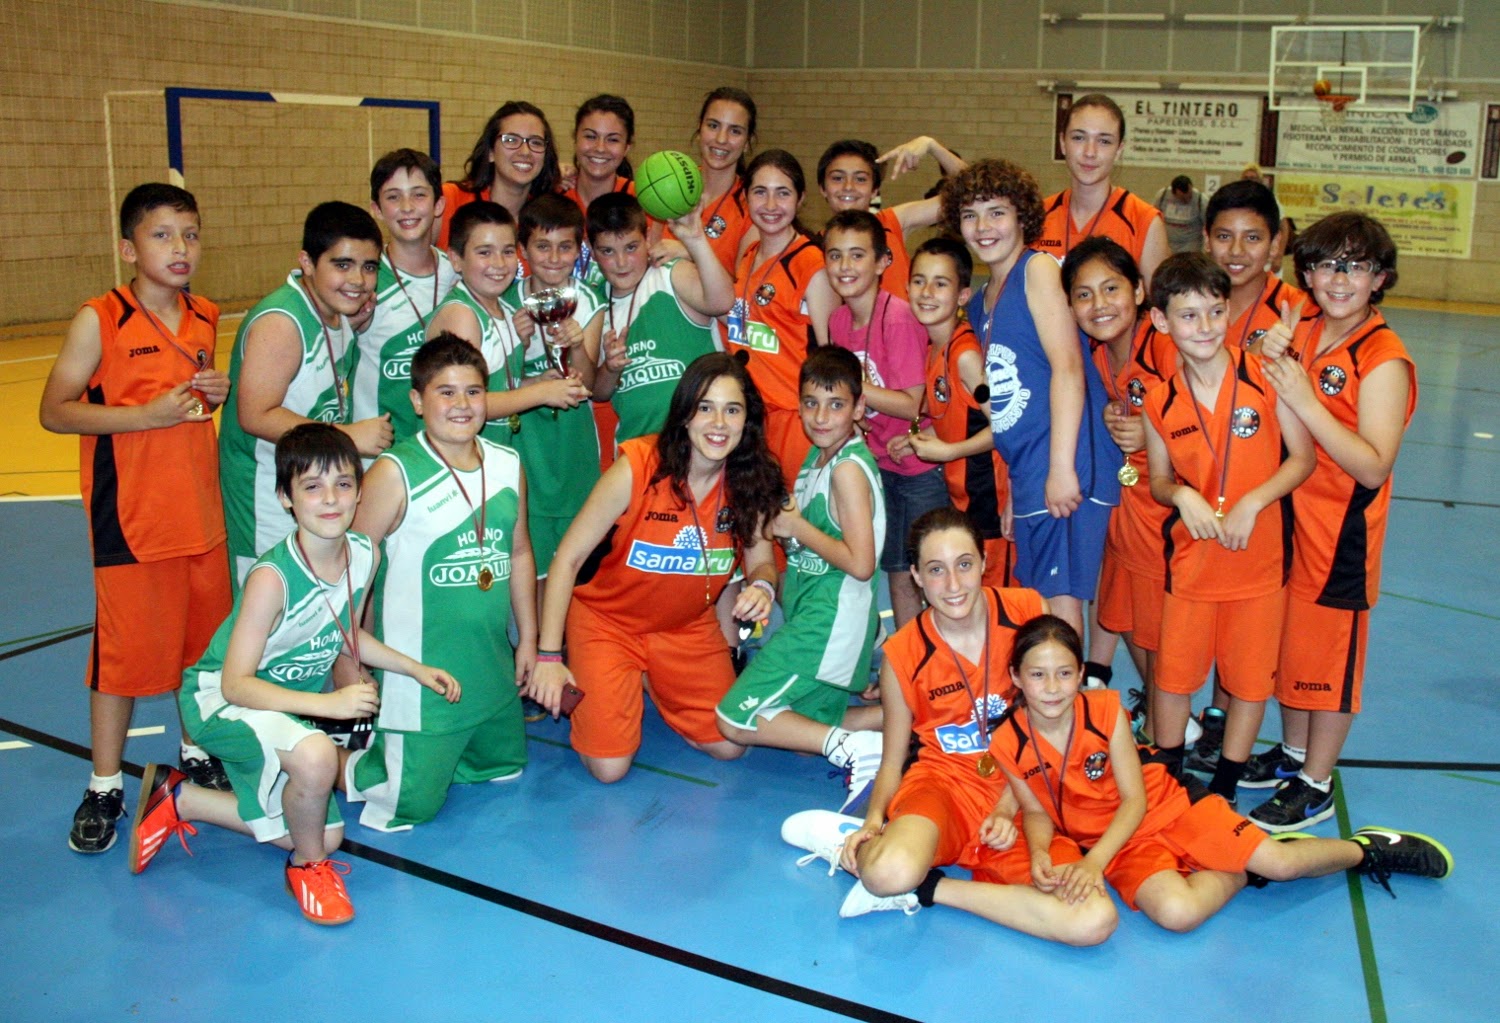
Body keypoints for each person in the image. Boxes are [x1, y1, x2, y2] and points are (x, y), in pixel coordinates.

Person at [129, 424, 460, 925]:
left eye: (343, 484)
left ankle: (181, 799)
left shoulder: (364, 554)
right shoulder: (272, 578)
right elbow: (234, 684)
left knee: (324, 831)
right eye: (312, 486)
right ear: (286, 497)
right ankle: (308, 870)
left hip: (279, 706)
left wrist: (414, 668)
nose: (330, 499)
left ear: (359, 491)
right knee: (317, 759)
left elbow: (345, 633)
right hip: (221, 703)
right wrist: (327, 705)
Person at [988, 615, 1451, 935]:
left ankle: (1367, 849)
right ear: (1016, 676)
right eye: (1038, 675)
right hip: (1120, 844)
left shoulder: (1105, 711)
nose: (1052, 688)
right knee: (1177, 913)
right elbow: (1036, 810)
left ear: (1080, 674)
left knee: (1283, 865)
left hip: (1170, 808)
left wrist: (1093, 864)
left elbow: (1135, 800)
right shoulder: (1007, 740)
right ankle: (1242, 870)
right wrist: (1040, 853)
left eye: (1064, 673)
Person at [780, 509, 1115, 945]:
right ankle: (853, 844)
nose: (953, 585)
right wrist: (873, 821)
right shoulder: (903, 654)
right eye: (936, 570)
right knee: (885, 873)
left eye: (964, 564)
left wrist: (1010, 806)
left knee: (1092, 920)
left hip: (1024, 792)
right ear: (917, 576)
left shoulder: (1028, 612)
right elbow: (892, 760)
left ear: (984, 562)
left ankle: (928, 889)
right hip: (944, 787)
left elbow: (1059, 724)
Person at [40, 183, 235, 854]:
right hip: (132, 524)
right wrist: (143, 416)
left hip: (201, 518)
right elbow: (54, 410)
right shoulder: (100, 318)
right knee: (122, 661)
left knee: (200, 651)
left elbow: (194, 406)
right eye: (162, 235)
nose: (180, 248)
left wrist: (215, 393)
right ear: (129, 248)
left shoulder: (205, 315)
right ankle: (103, 786)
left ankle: (196, 750)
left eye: (191, 234)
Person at [528, 353, 784, 782]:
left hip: (685, 627)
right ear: (684, 414)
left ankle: (652, 680)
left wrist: (763, 587)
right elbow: (567, 559)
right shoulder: (639, 466)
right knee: (610, 768)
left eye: (732, 410)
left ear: (747, 420)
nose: (719, 423)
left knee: (730, 744)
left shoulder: (752, 481)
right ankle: (613, 679)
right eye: (705, 407)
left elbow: (761, 562)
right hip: (607, 624)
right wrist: (549, 655)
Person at [1245, 212, 1417, 832]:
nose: (1339, 279)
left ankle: (1317, 782)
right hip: (1288, 520)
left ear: (1380, 278)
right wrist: (1261, 352)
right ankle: (1294, 754)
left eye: (1355, 266)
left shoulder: (1384, 358)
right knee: (1289, 647)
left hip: (1341, 534)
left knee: (1330, 661)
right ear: (1308, 273)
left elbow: (1372, 465)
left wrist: (1304, 398)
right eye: (1326, 265)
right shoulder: (1305, 325)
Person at [1140, 253, 1314, 802]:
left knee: (1248, 682)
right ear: (1161, 321)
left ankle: (1225, 786)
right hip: (1192, 565)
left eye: (1216, 312)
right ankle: (1168, 780)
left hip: (1258, 565)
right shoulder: (1159, 402)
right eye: (1188, 316)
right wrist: (1181, 494)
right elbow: (1158, 480)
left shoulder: (1264, 376)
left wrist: (1254, 501)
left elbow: (1303, 458)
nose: (1205, 327)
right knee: (1174, 678)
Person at [342, 336, 535, 831]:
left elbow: (519, 552)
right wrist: (352, 659)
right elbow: (352, 568)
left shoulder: (507, 463)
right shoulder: (394, 473)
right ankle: (318, 758)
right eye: (445, 392)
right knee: (409, 807)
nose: (461, 404)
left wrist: (530, 642)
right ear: (417, 400)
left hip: (490, 674)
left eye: (473, 391)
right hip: (420, 680)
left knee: (503, 769)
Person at [945, 158, 1121, 637]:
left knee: (1059, 602)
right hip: (1031, 468)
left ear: (1022, 216)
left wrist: (1060, 469)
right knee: (1044, 595)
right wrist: (1018, 487)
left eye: (996, 213)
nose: (983, 227)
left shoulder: (1037, 270)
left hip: (1065, 459)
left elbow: (1068, 368)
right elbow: (1011, 400)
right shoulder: (983, 298)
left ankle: (1069, 688)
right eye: (970, 215)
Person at [716, 347, 885, 810]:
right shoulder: (819, 459)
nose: (821, 416)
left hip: (827, 625)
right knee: (801, 732)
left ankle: (854, 749)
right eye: (811, 403)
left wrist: (797, 527)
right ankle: (909, 721)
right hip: (819, 618)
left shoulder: (847, 469)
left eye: (836, 404)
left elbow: (862, 563)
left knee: (732, 720)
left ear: (859, 408)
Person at [1180, 179, 1307, 770]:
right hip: (1203, 496)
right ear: (1206, 239)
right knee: (1202, 616)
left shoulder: (1296, 312)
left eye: (1253, 238)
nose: (1237, 251)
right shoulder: (1196, 304)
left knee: (1251, 632)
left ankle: (1232, 727)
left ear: (1276, 243)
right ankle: (1212, 717)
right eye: (1225, 236)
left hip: (1274, 497)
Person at [219, 201, 389, 588]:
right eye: (342, 265)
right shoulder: (282, 322)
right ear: (307, 263)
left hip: (307, 488)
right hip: (267, 498)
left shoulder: (334, 310)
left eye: (369, 267)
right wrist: (347, 436)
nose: (358, 279)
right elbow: (256, 415)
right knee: (271, 606)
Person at [1063, 238, 1174, 713]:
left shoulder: (1164, 345)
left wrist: (1153, 431)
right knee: (1128, 612)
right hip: (1131, 502)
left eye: (1111, 288)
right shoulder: (1096, 354)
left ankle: (1173, 721)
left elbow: (1205, 411)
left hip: (1170, 507)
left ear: (1140, 291)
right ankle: (1163, 711)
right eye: (1084, 294)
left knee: (1158, 624)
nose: (1099, 304)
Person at [822, 209, 939, 630]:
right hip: (880, 464)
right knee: (896, 571)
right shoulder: (837, 321)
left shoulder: (898, 317)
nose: (845, 266)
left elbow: (911, 404)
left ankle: (942, 655)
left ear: (882, 262)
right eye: (835, 255)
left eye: (857, 255)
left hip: (919, 467)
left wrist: (850, 386)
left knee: (930, 571)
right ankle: (909, 657)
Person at [898, 237, 1016, 588]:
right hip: (965, 497)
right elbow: (960, 417)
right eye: (919, 281)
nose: (927, 292)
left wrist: (950, 451)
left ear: (963, 295)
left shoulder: (965, 357)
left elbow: (1004, 426)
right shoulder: (935, 348)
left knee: (993, 596)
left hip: (990, 499)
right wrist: (921, 437)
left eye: (940, 283)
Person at [503, 194, 606, 585]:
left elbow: (589, 386)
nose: (553, 257)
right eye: (542, 246)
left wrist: (577, 344)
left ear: (579, 250)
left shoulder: (589, 300)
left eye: (565, 247)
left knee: (571, 569)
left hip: (572, 450)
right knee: (528, 566)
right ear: (523, 249)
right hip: (522, 445)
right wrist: (515, 343)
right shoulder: (505, 301)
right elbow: (493, 381)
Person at [427, 201, 587, 450]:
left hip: (488, 453)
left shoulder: (506, 308)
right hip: (453, 457)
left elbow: (499, 387)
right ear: (456, 260)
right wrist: (542, 393)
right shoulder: (461, 314)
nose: (499, 263)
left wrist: (538, 382)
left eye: (508, 251)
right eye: (484, 252)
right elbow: (463, 403)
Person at [724, 149, 839, 491]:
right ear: (745, 198)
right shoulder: (748, 255)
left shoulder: (811, 265)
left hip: (793, 419)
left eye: (783, 193)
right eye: (760, 192)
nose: (771, 204)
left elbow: (831, 356)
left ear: (800, 199)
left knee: (788, 515)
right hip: (749, 414)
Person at [589, 192, 731, 445]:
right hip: (635, 444)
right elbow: (598, 392)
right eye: (608, 251)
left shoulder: (670, 274)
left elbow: (722, 302)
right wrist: (610, 368)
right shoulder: (594, 302)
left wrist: (695, 241)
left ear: (647, 240)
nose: (621, 262)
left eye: (631, 247)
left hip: (696, 440)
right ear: (592, 252)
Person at [352, 148, 457, 443]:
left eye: (419, 195)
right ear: (376, 209)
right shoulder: (362, 281)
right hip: (380, 452)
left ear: (438, 204)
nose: (407, 207)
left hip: (443, 449)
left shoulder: (457, 274)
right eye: (393, 197)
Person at [1036, 94, 1170, 285]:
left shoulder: (1144, 222)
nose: (1090, 152)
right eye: (1079, 138)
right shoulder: (1038, 216)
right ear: (1063, 143)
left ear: (1119, 150)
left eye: (1104, 141)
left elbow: (1160, 301)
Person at [815, 136, 965, 298]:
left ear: (874, 190)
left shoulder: (893, 222)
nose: (848, 186)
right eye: (838, 178)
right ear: (823, 188)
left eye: (860, 179)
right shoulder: (813, 248)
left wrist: (932, 146)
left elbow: (970, 193)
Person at [658, 86, 758, 275]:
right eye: (713, 126)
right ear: (699, 129)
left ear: (747, 142)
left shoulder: (752, 207)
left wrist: (691, 252)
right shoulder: (668, 186)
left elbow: (744, 287)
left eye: (735, 131)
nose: (721, 139)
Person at [437, 100, 561, 249]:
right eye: (511, 140)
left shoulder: (550, 217)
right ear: (490, 152)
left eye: (536, 142)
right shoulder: (450, 200)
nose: (525, 152)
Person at [1152, 174, 1207, 254]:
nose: (1187, 200)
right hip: (1168, 244)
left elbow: (1208, 224)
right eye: (1183, 198)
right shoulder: (1162, 196)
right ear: (1174, 193)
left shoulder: (1201, 200)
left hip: (1190, 245)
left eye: (1190, 196)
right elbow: (1154, 217)